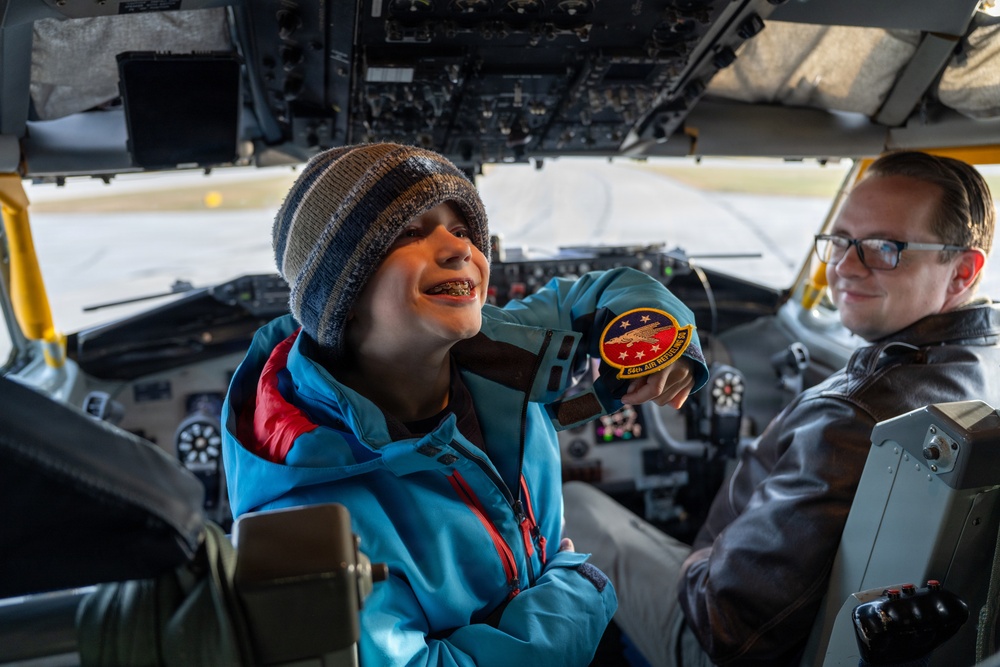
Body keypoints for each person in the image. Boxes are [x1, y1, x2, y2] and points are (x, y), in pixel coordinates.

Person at [220, 142, 710, 666]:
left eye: (461, 230)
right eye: (410, 232)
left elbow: (607, 291)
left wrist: (666, 341)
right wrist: (574, 598)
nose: (459, 250)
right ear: (341, 294)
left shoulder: (501, 345)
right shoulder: (308, 516)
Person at [562, 150, 1000, 666]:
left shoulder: (857, 412)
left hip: (715, 630)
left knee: (575, 502)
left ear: (962, 271)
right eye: (840, 241)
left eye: (886, 247)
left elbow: (727, 623)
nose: (843, 266)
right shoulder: (980, 362)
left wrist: (699, 558)